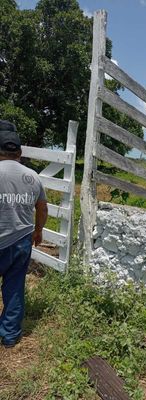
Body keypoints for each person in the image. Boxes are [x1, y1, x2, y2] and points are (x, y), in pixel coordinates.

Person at [0, 120, 48, 348]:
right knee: (15, 286)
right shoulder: (33, 176)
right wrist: (38, 231)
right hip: (21, 241)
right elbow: (42, 207)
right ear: (19, 152)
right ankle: (10, 336)